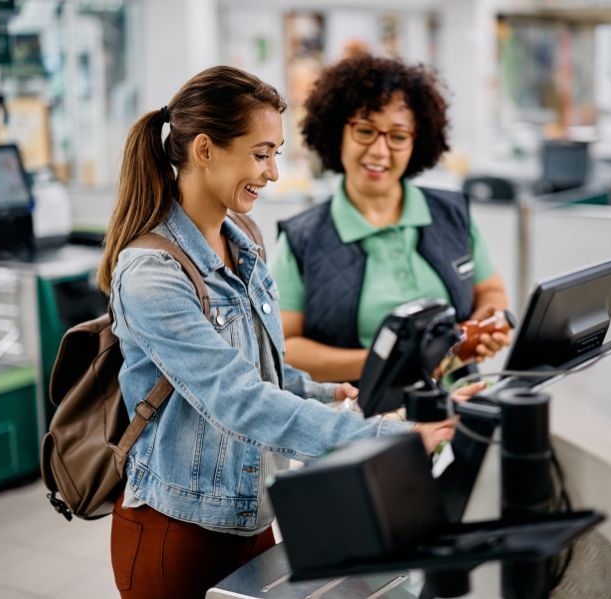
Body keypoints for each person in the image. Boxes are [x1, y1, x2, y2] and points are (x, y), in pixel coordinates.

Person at [95, 65, 466, 599]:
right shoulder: (151, 273)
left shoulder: (242, 236)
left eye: (276, 153)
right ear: (204, 149)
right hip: (175, 531)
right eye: (261, 152)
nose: (272, 173)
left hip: (254, 518)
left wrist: (321, 392)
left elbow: (261, 368)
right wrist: (387, 438)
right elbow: (238, 399)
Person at [271, 53, 511, 383]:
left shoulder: (452, 215)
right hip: (361, 422)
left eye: (398, 136)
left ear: (418, 140)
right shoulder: (302, 240)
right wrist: (388, 361)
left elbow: (492, 292)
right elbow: (285, 348)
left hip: (460, 411)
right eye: (365, 131)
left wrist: (485, 326)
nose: (380, 151)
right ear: (336, 131)